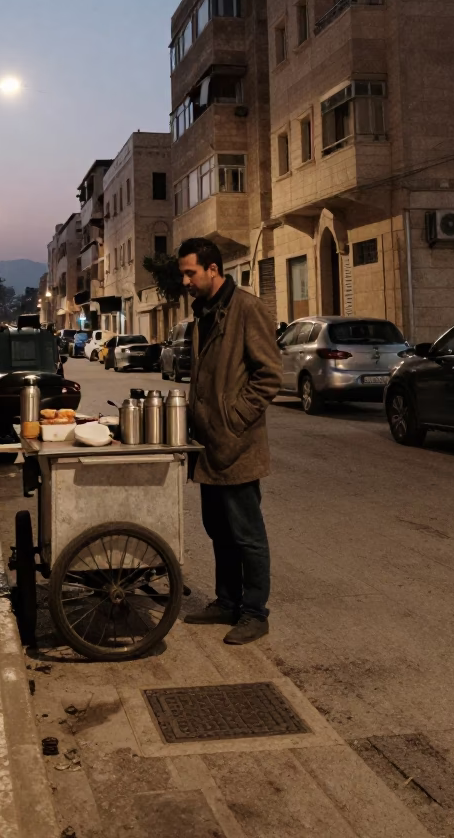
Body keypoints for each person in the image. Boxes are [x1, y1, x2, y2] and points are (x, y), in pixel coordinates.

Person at [178, 238, 281, 645]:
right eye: (183, 274)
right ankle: (227, 602)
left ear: (214, 270)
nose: (185, 281)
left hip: (238, 446)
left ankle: (255, 613)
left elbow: (269, 375)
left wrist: (233, 418)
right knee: (218, 529)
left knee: (247, 534)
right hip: (209, 446)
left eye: (191, 273)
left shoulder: (247, 309)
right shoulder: (203, 313)